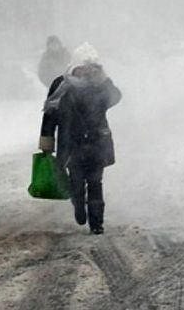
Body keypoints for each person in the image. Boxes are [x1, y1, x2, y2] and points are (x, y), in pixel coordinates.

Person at [38, 43, 122, 234]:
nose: (85, 71)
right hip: (71, 143)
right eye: (82, 67)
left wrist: (104, 78)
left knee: (95, 183)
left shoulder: (99, 85)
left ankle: (97, 223)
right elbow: (49, 115)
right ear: (74, 65)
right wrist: (46, 142)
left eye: (90, 67)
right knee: (76, 182)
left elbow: (115, 97)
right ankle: (78, 205)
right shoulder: (61, 85)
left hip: (96, 142)